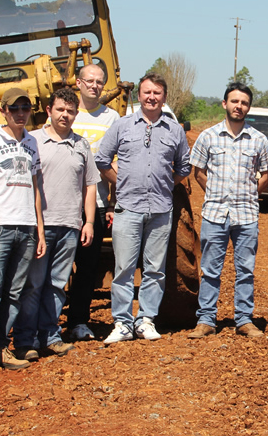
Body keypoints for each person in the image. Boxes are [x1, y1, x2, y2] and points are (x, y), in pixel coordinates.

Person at [96, 73, 191, 344]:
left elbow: (183, 168)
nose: (151, 97)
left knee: (155, 269)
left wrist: (163, 184)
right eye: (147, 92)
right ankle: (123, 323)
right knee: (124, 267)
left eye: (157, 93)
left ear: (164, 97)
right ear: (139, 95)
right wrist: (122, 182)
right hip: (128, 208)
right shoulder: (122, 126)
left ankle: (146, 319)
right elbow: (103, 160)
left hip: (161, 209)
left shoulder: (174, 131)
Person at [14, 88, 99, 358]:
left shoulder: (81, 144)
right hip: (39, 225)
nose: (65, 115)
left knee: (56, 284)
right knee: (33, 284)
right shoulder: (33, 140)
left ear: (76, 114)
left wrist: (88, 222)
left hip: (70, 226)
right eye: (60, 109)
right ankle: (26, 340)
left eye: (71, 111)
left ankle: (50, 335)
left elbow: (90, 186)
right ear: (49, 110)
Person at [0, 87, 46, 383]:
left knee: (14, 294)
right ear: (3, 110)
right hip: (0, 228)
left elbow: (36, 189)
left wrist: (39, 231)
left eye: (25, 108)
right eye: (15, 108)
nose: (20, 113)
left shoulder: (31, 143)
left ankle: (2, 348)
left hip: (26, 228)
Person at [188, 82, 268, 339]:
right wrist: (213, 192)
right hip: (215, 214)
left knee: (245, 270)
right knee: (211, 269)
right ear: (225, 104)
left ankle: (244, 320)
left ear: (249, 107)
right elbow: (198, 172)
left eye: (244, 102)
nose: (239, 106)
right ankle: (206, 320)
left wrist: (249, 194)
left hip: (246, 216)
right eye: (234, 101)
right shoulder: (208, 136)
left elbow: (267, 175)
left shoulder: (258, 139)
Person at [66, 63, 119, 341]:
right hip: (61, 207)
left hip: (96, 204)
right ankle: (45, 324)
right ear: (78, 82)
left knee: (87, 267)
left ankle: (77, 321)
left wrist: (112, 204)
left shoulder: (112, 118)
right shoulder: (65, 114)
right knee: (55, 268)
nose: (94, 85)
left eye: (99, 82)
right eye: (89, 80)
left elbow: (117, 164)